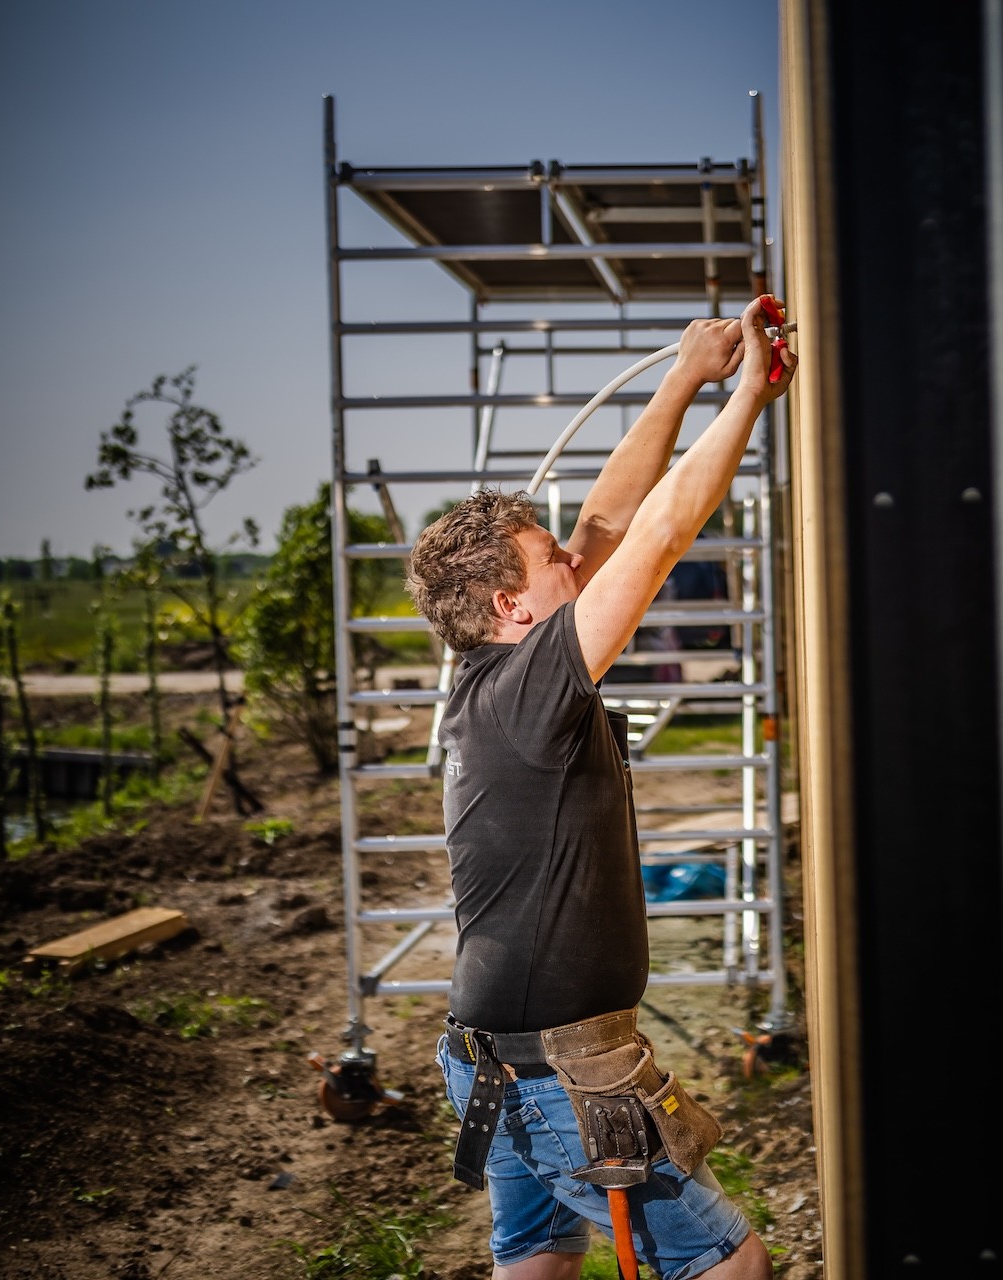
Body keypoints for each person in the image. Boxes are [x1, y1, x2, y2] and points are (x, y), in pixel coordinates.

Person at [404, 297, 795, 1280]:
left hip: (502, 1052)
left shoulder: (498, 677)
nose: (575, 560)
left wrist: (684, 376)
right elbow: (655, 537)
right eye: (551, 561)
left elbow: (610, 523)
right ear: (512, 605)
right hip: (554, 1067)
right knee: (729, 1266)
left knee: (535, 1259)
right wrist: (748, 393)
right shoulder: (531, 680)